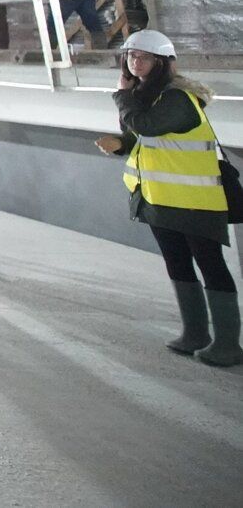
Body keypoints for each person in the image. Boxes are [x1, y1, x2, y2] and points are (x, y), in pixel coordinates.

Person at [94, 30, 238, 367]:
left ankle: (229, 344)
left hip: (196, 201)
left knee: (211, 266)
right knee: (178, 263)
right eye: (131, 56)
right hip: (159, 198)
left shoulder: (178, 98)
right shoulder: (149, 97)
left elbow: (146, 126)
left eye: (143, 57)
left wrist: (122, 95)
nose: (135, 62)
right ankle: (195, 334)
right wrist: (122, 146)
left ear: (163, 62)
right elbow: (145, 138)